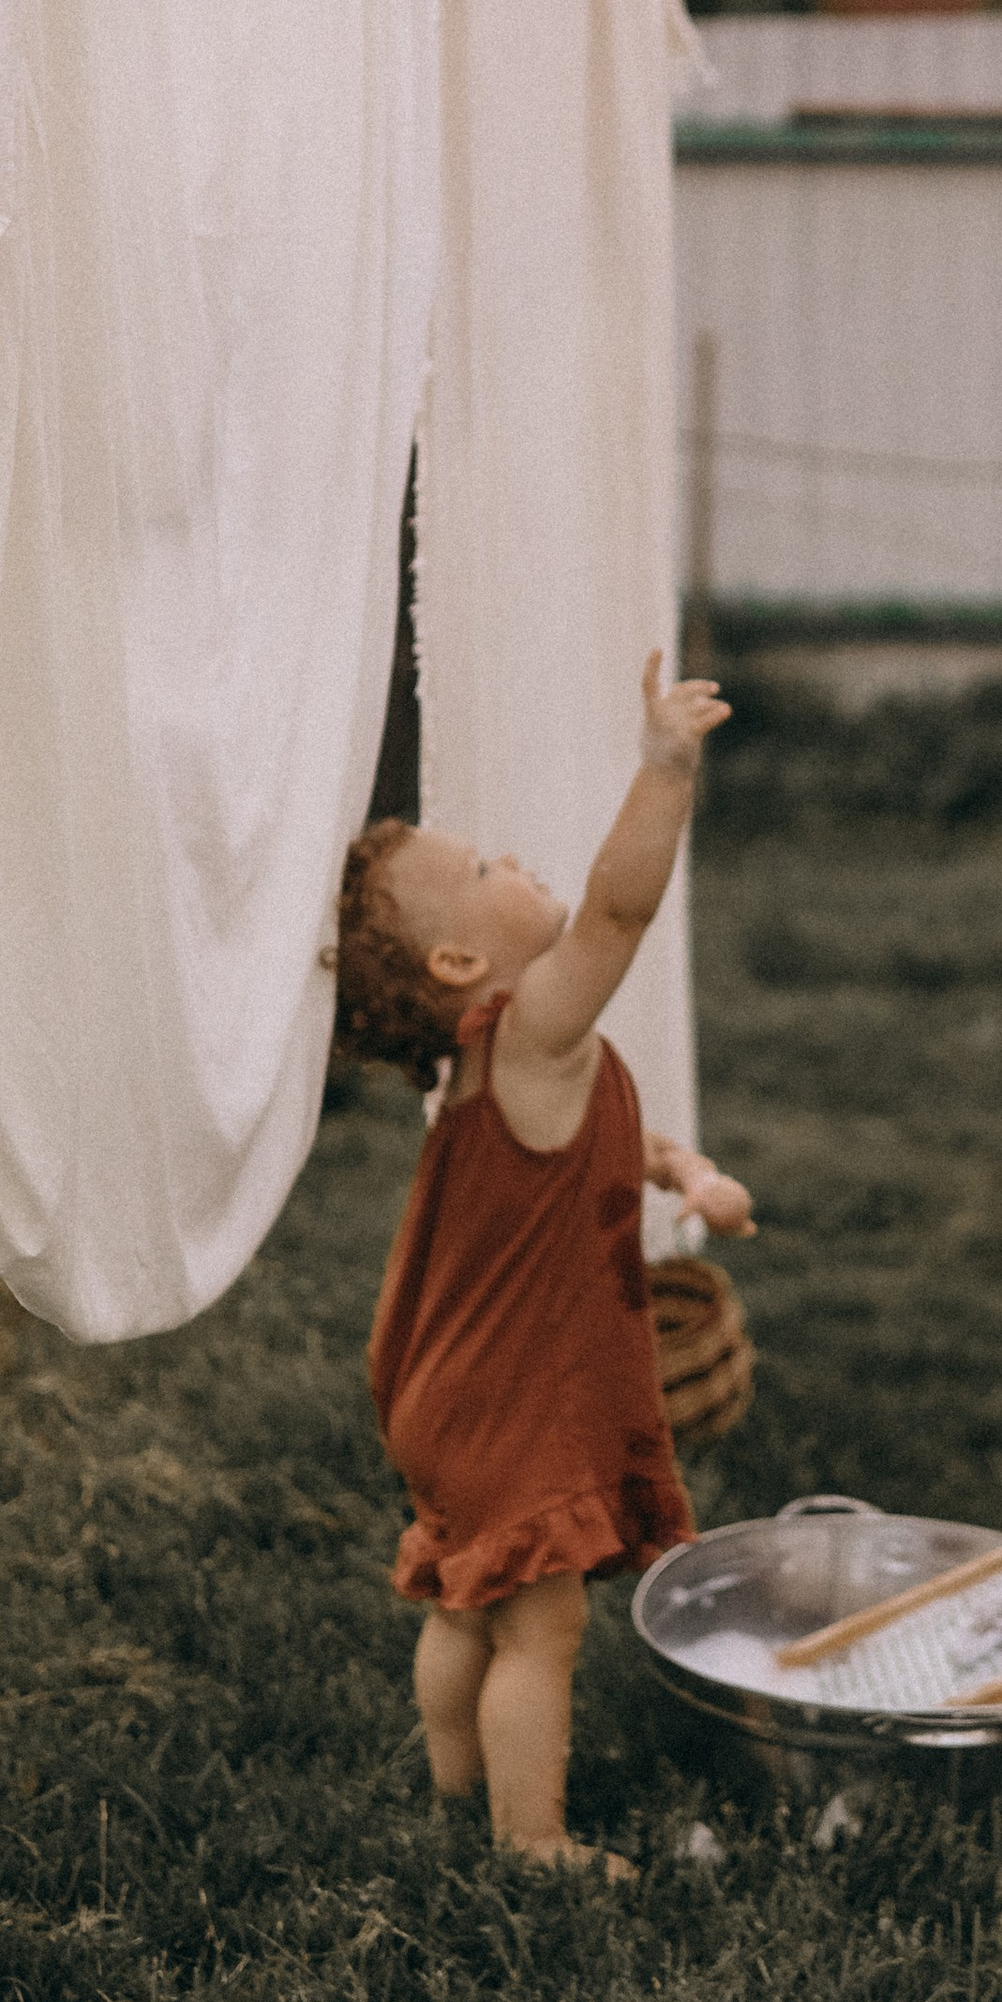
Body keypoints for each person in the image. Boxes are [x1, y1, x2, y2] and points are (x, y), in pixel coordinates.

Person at [328, 655, 755, 1872]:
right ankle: (534, 1843)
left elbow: (597, 1152)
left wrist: (683, 1174)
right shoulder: (532, 1029)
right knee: (544, 1621)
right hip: (506, 1403)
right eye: (480, 872)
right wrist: (664, 767)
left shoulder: (492, 1067)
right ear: (460, 968)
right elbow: (619, 913)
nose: (511, 862)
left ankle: (458, 1794)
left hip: (442, 1398)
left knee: (467, 1596)